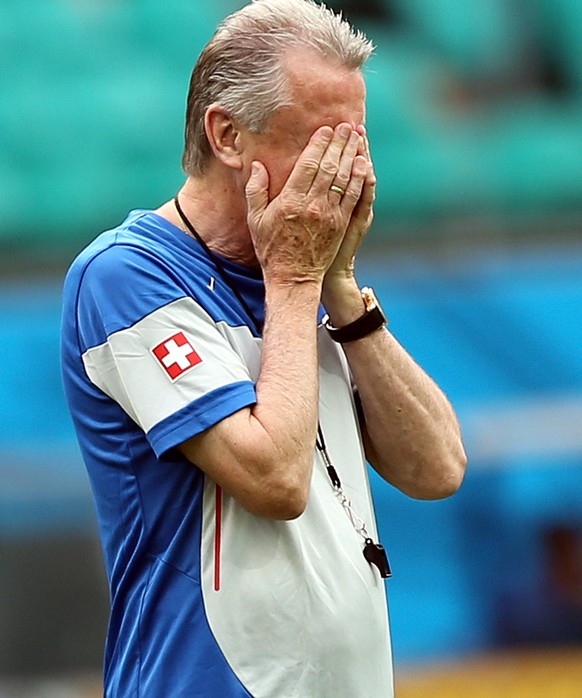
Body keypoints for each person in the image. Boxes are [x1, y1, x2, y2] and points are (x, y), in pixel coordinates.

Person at [61, 0, 466, 695]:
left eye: (357, 141)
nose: (346, 170)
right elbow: (276, 482)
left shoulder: (306, 275)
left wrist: (339, 286)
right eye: (320, 141)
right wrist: (296, 278)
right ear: (227, 135)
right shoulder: (126, 277)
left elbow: (438, 471)